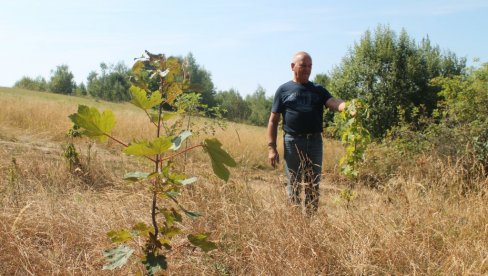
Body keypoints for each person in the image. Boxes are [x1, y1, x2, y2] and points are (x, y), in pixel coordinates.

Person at [267, 51, 346, 214]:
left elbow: (332, 102)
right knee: (293, 183)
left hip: (315, 142)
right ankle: (294, 221)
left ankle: (310, 221)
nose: (307, 69)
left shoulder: (318, 89)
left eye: (310, 66)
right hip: (292, 142)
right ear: (292, 66)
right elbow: (273, 121)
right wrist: (271, 148)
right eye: (303, 65)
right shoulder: (283, 90)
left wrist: (347, 107)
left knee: (313, 184)